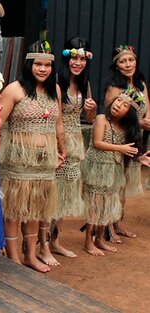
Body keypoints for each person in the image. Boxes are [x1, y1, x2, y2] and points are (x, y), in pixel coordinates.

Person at [0, 40, 65, 273]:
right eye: (38, 64)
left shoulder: (54, 90)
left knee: (36, 208)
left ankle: (30, 255)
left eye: (47, 65)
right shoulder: (14, 89)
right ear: (29, 64)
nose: (43, 69)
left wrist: (61, 148)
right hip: (17, 160)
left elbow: (58, 123)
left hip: (44, 161)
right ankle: (14, 258)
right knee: (15, 209)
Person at [82, 87, 147, 256]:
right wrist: (120, 148)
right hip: (96, 167)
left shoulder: (126, 129)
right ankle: (88, 241)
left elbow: (129, 150)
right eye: (118, 100)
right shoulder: (101, 118)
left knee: (108, 203)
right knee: (95, 204)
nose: (119, 105)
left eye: (125, 105)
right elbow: (97, 142)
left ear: (129, 114)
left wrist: (140, 157)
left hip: (113, 170)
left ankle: (100, 239)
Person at [50, 37, 97, 259]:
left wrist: (92, 109)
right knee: (53, 192)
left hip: (77, 140)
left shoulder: (84, 84)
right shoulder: (57, 82)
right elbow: (56, 119)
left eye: (82, 59)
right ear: (66, 58)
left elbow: (89, 118)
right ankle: (43, 242)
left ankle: (55, 241)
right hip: (59, 141)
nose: (78, 63)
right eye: (74, 58)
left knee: (66, 193)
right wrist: (61, 146)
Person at [104, 44, 150, 242]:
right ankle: (107, 226)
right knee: (114, 184)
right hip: (119, 139)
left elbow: (147, 106)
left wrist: (147, 120)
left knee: (123, 184)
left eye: (130, 60)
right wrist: (138, 122)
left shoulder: (140, 85)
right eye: (122, 61)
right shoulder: (114, 88)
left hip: (136, 138)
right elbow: (110, 114)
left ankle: (117, 222)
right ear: (116, 66)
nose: (128, 64)